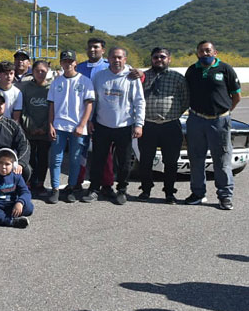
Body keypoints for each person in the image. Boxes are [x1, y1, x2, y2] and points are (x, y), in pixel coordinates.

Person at [81, 47, 145, 205]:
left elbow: (139, 101)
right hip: (102, 125)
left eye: (120, 57)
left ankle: (122, 190)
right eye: (113, 57)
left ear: (125, 59)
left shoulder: (132, 77)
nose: (116, 60)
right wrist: (89, 120)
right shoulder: (99, 76)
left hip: (125, 125)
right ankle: (94, 188)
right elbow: (93, 100)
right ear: (107, 59)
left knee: (123, 162)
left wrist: (139, 124)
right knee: (98, 160)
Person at [184, 40, 240, 210]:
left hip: (219, 120)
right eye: (201, 51)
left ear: (215, 52)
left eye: (208, 51)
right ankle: (198, 193)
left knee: (222, 160)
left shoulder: (225, 69)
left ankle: (225, 196)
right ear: (197, 54)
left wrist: (225, 112)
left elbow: (236, 96)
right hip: (196, 120)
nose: (205, 53)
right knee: (196, 159)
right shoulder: (192, 71)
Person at [137, 47, 189, 204]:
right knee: (145, 160)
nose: (159, 60)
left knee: (171, 161)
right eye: (155, 57)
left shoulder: (177, 78)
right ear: (151, 59)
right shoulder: (142, 77)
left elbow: (185, 100)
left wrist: (173, 115)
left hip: (170, 126)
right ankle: (146, 189)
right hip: (148, 125)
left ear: (169, 59)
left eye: (162, 57)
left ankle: (169, 192)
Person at [47, 51, 95, 203]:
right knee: (56, 159)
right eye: (65, 61)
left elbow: (89, 105)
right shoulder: (56, 82)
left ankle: (71, 188)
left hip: (77, 127)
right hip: (59, 126)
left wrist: (82, 125)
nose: (68, 64)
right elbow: (51, 106)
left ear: (75, 63)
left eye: (70, 61)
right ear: (61, 63)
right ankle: (55, 189)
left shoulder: (85, 81)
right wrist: (50, 125)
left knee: (75, 160)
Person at [17, 60, 51, 194]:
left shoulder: (50, 88)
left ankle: (41, 183)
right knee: (30, 158)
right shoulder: (26, 87)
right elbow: (23, 108)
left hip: (45, 130)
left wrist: (44, 127)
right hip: (29, 130)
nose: (40, 73)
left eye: (43, 71)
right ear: (33, 71)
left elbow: (53, 110)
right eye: (37, 71)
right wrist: (30, 126)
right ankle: (29, 182)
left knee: (43, 158)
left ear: (47, 71)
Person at [0, 149, 33, 228]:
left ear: (13, 165)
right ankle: (12, 221)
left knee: (29, 207)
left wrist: (20, 202)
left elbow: (25, 192)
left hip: (12, 204)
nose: (3, 167)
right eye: (0, 163)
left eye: (7, 164)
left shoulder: (16, 176)